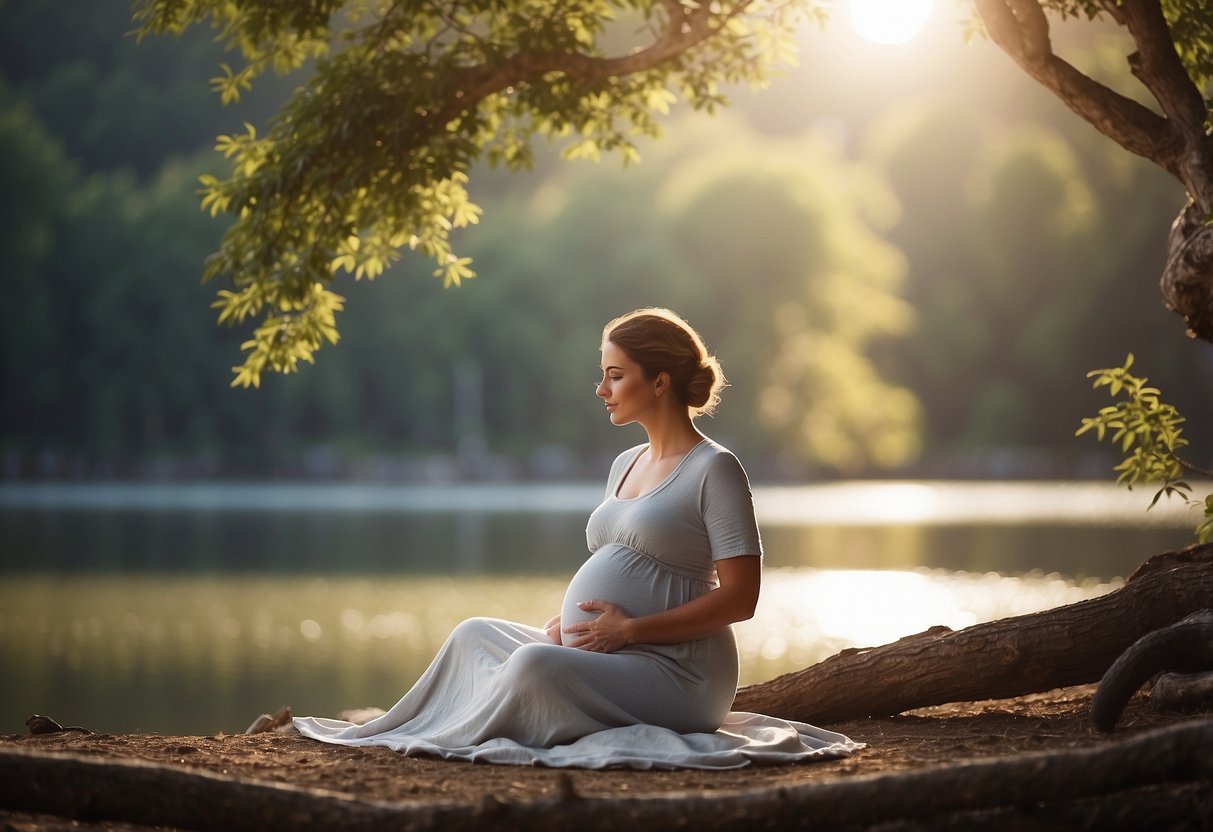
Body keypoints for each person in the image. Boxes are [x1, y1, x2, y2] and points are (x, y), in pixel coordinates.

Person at [294, 308, 861, 768]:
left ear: (658, 381)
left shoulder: (716, 470)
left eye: (616, 375)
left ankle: (460, 730)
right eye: (604, 374)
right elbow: (618, 569)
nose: (602, 389)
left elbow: (742, 598)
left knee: (534, 668)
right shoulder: (624, 464)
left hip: (681, 673)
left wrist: (630, 629)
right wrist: (570, 626)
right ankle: (407, 727)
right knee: (474, 635)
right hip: (613, 654)